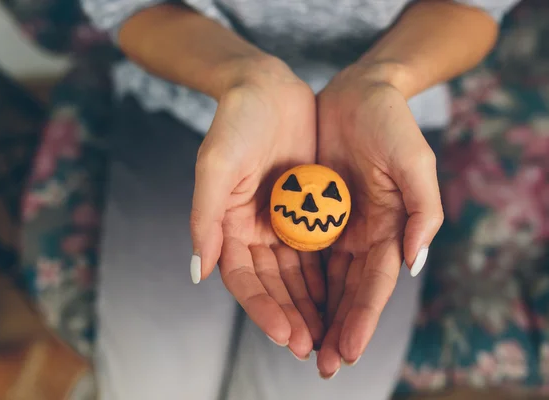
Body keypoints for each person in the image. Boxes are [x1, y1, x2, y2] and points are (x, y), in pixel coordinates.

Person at [79, 0, 520, 398]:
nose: (311, 205)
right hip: (188, 102)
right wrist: (243, 77)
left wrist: (382, 79)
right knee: (150, 386)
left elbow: (475, 8)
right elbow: (127, 7)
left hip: (381, 137)